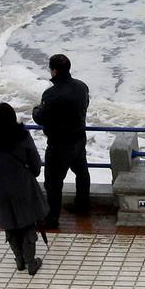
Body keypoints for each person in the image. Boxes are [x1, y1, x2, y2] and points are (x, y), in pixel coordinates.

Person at [0, 103, 48, 275]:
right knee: (28, 223)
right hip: (23, 187)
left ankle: (19, 261)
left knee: (10, 225)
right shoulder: (23, 137)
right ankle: (31, 262)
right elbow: (36, 166)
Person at [32, 53, 91, 228]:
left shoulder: (51, 94)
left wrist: (35, 109)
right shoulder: (82, 87)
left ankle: (52, 219)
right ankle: (82, 205)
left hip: (59, 144)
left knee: (53, 182)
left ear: (54, 71)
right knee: (81, 172)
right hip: (79, 138)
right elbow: (85, 105)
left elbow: (41, 117)